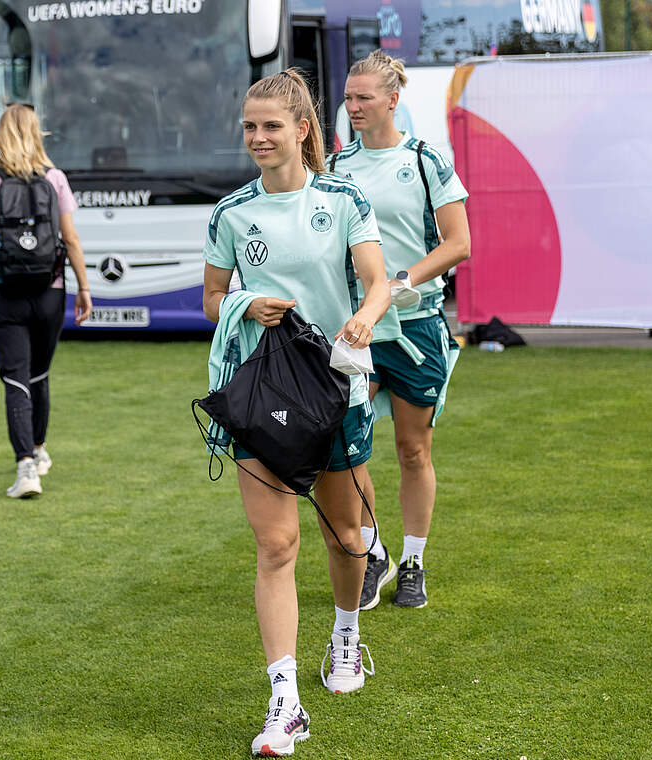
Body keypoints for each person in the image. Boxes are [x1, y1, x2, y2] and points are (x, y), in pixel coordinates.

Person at [202, 68, 391, 757]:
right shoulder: (230, 213)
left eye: (271, 126)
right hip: (262, 396)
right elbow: (210, 300)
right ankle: (284, 700)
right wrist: (243, 303)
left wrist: (364, 320)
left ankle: (346, 636)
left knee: (346, 536)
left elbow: (377, 282)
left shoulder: (342, 199)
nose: (258, 137)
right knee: (277, 545)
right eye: (249, 126)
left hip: (335, 392)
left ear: (302, 129)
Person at [331, 51, 471, 609]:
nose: (353, 106)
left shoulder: (425, 159)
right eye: (348, 97)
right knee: (348, 451)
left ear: (393, 100)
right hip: (359, 331)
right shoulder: (336, 166)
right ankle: (373, 552)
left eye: (363, 97)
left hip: (415, 327)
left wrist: (400, 282)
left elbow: (459, 243)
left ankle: (413, 562)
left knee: (413, 450)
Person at [0, 104, 92, 498]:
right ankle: (38, 449)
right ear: (37, 133)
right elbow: (71, 239)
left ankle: (26, 468)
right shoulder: (55, 179)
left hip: (3, 294)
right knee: (38, 375)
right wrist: (84, 288)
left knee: (16, 378)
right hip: (50, 292)